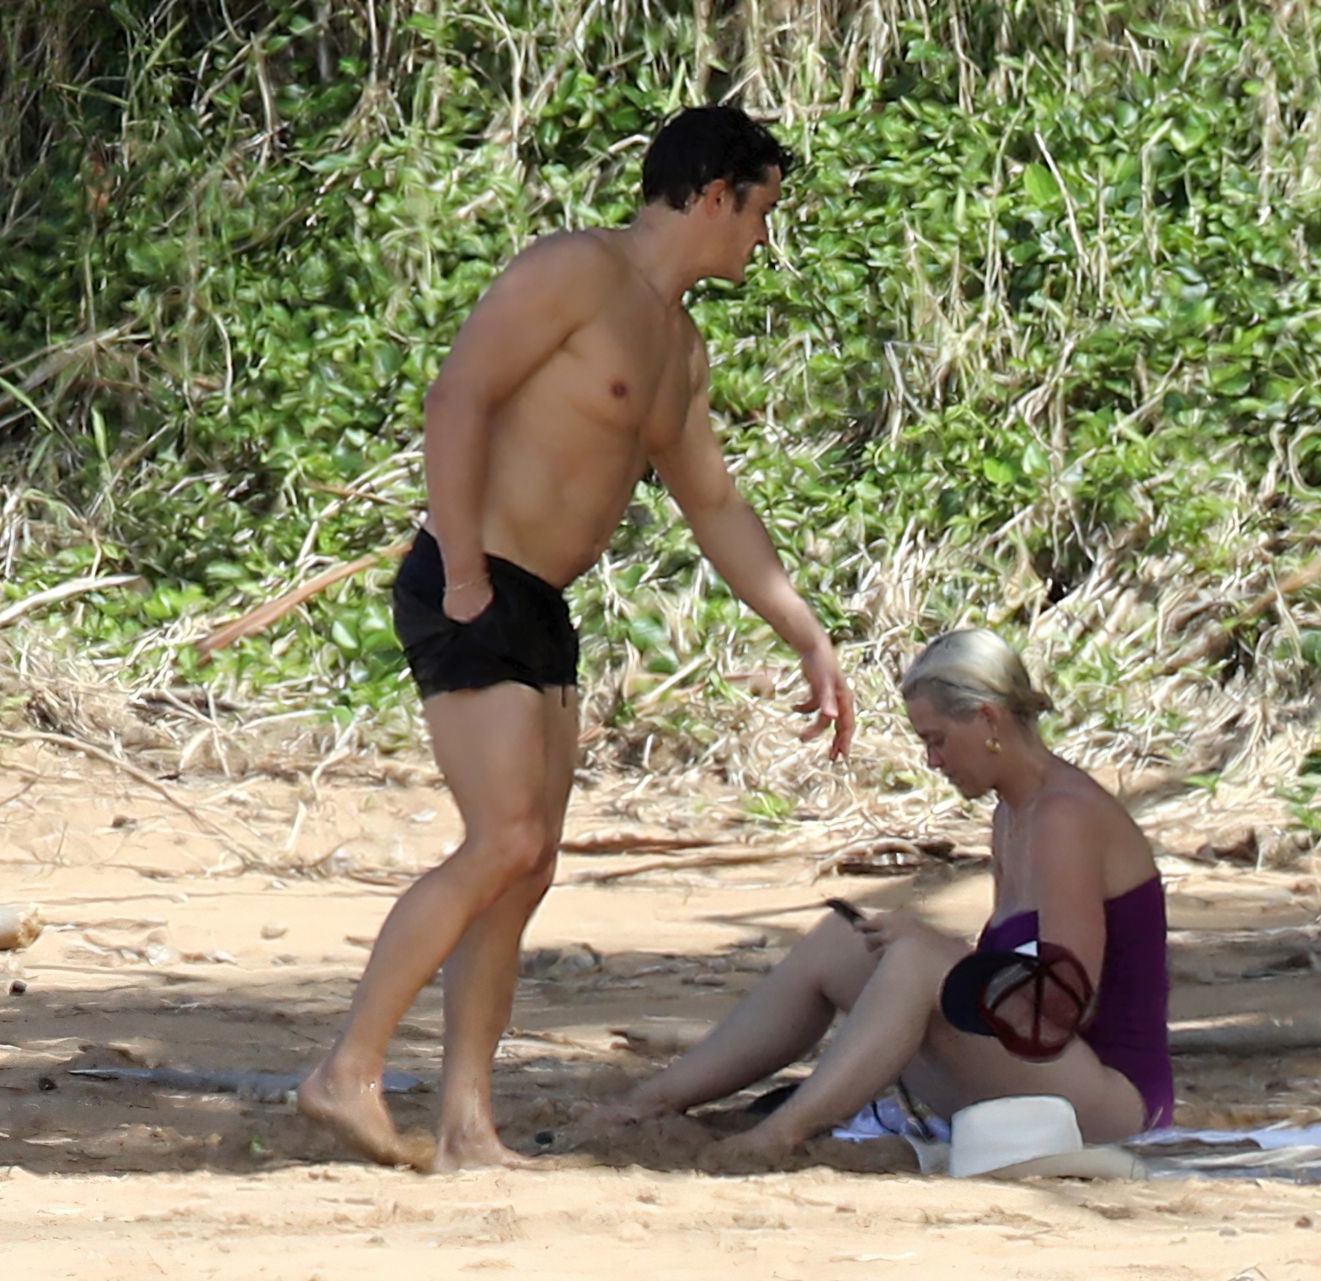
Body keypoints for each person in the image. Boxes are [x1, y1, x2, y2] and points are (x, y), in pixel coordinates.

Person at [298, 105, 856, 1172]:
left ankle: (467, 1125)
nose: (763, 237)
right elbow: (458, 398)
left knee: (529, 865)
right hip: (473, 579)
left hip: (541, 603)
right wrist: (464, 571)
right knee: (503, 840)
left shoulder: (678, 348)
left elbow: (714, 504)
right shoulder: (574, 271)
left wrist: (808, 635)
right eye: (760, 212)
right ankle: (347, 1068)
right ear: (713, 196)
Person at [593, 628, 1173, 1167]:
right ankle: (648, 1102)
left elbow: (1064, 1007)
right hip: (1040, 1073)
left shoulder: (1064, 818)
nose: (933, 762)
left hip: (1110, 1100)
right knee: (840, 942)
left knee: (916, 959)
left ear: (988, 719)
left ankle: (779, 1137)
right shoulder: (1012, 815)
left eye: (938, 741)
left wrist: (937, 949)